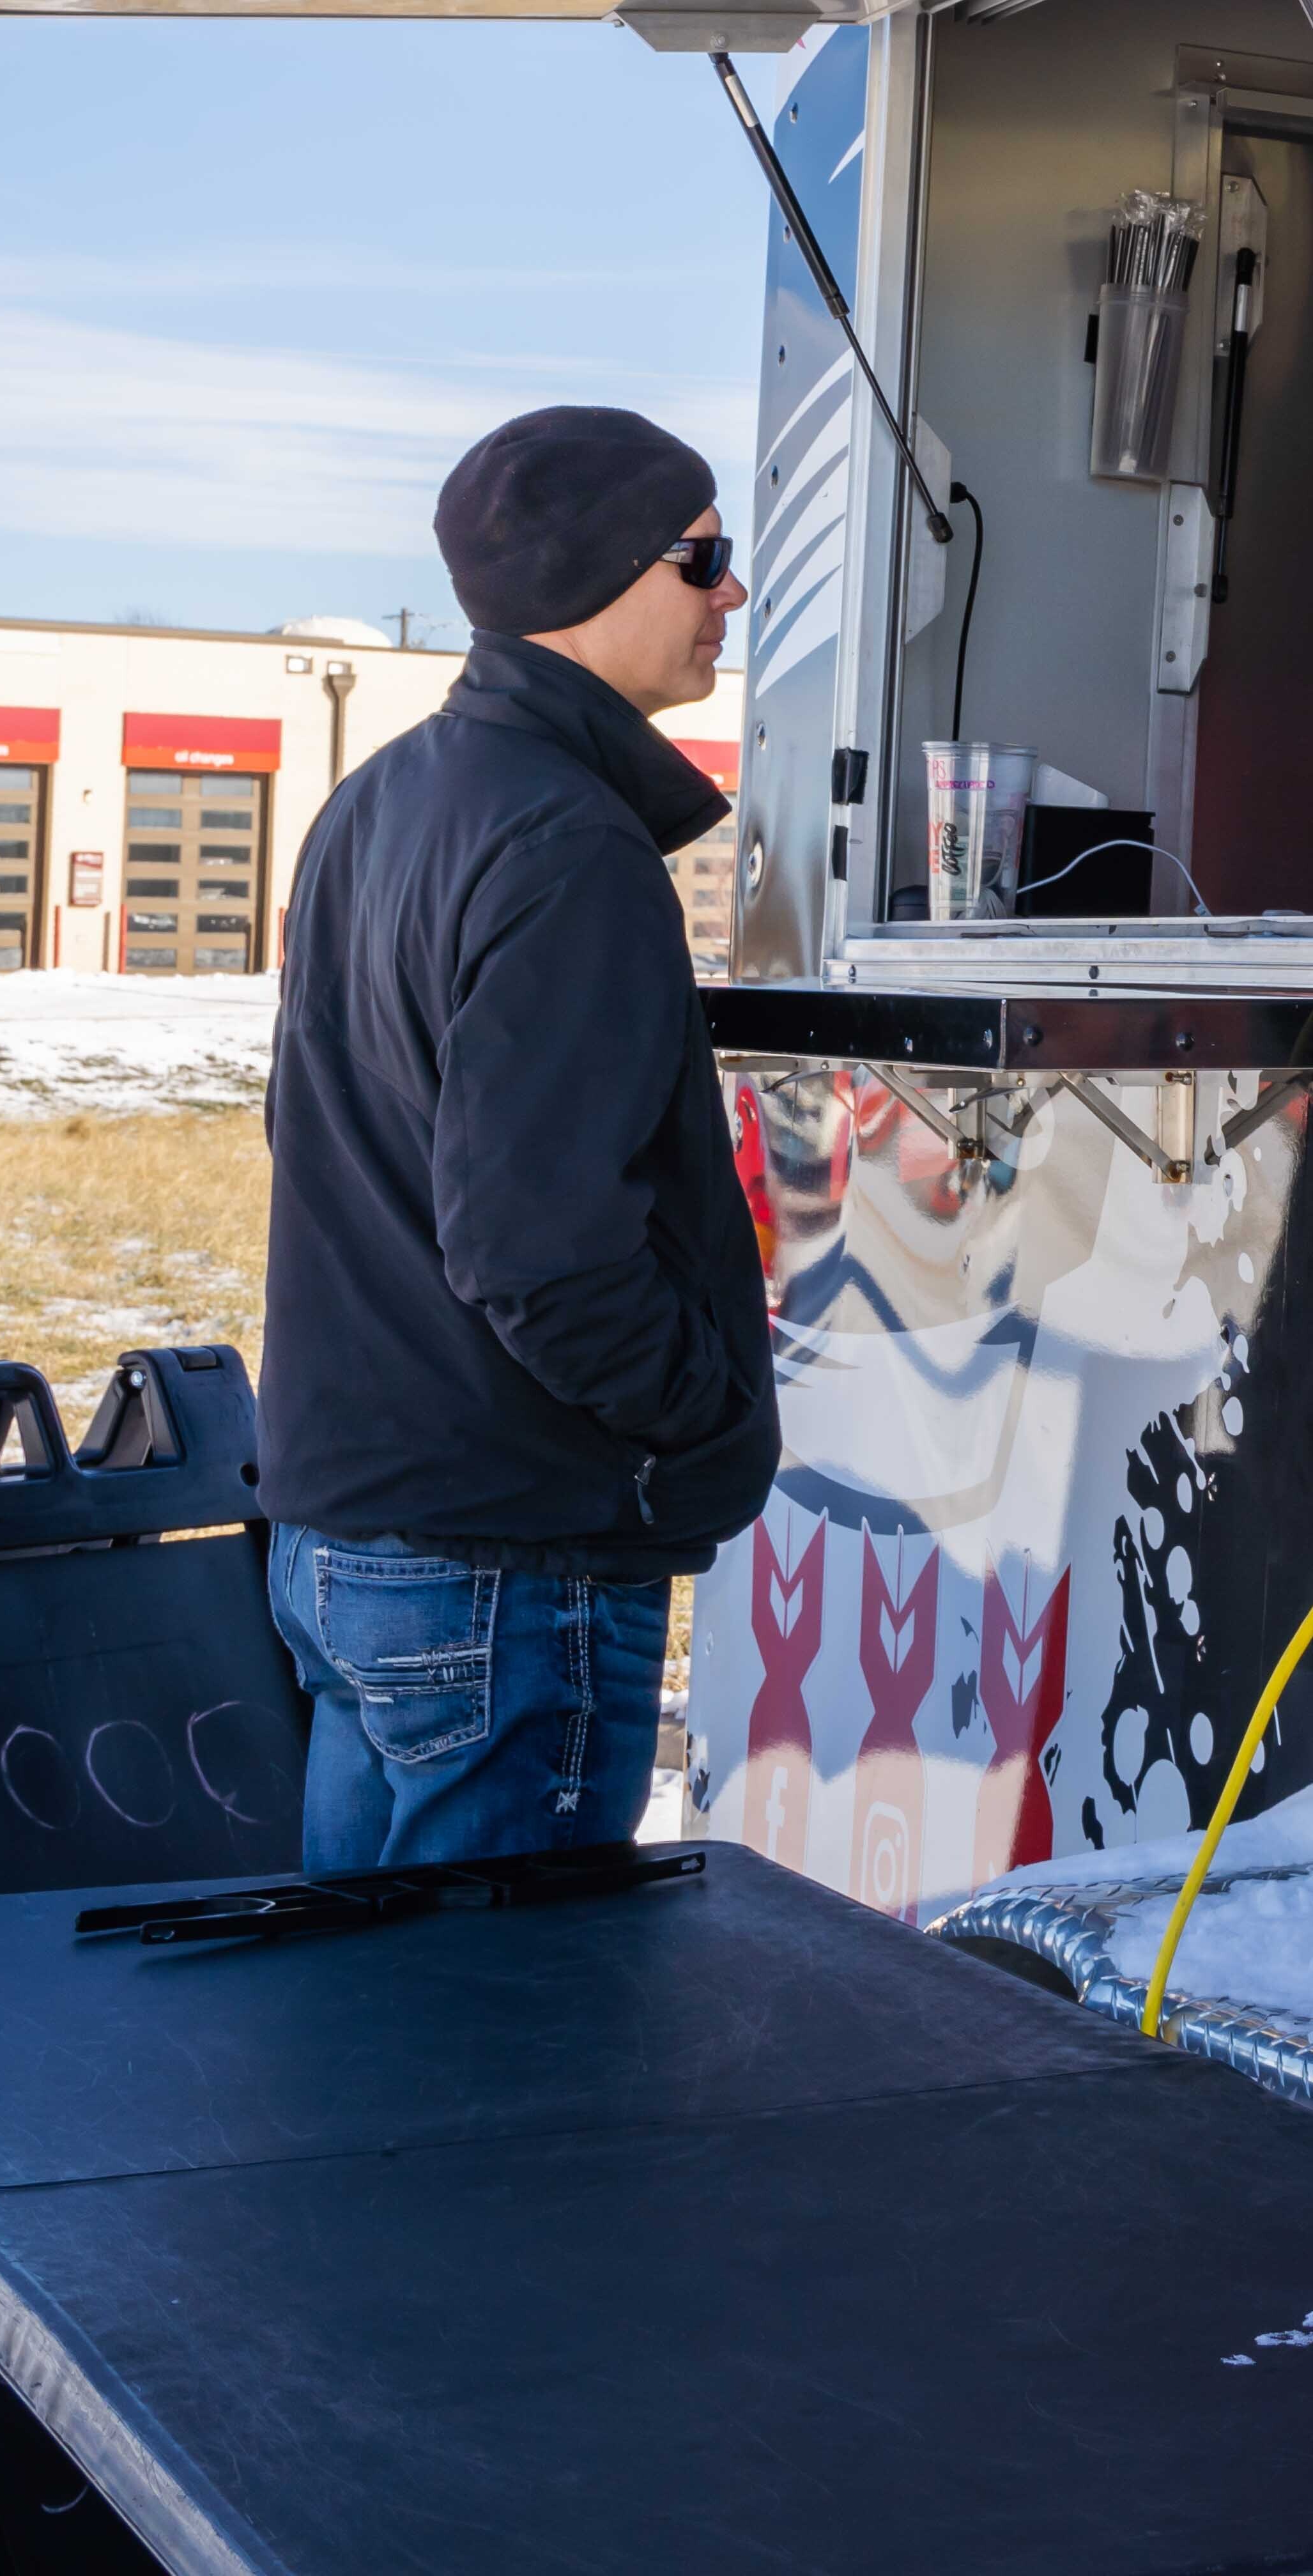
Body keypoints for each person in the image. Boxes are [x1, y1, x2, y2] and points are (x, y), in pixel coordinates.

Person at [259, 406, 772, 1872]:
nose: (728, 594)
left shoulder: (377, 807)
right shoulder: (567, 843)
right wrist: (700, 1415)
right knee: (502, 2070)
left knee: (369, 2062)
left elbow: (308, 1129)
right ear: (600, 574)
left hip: (352, 1541)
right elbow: (541, 1253)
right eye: (703, 558)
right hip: (501, 1563)